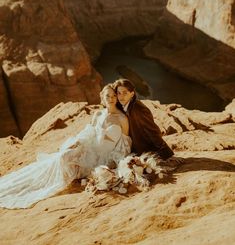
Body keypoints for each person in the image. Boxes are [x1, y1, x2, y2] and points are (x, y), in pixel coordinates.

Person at [0, 84, 131, 209]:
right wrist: (77, 142)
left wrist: (115, 161)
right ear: (102, 97)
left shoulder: (121, 119)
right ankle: (38, 183)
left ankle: (58, 181)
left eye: (114, 95)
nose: (111, 99)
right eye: (108, 96)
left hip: (101, 158)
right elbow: (89, 132)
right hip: (88, 147)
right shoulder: (98, 114)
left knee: (66, 160)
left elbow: (124, 144)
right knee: (63, 156)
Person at [113, 78, 183, 164]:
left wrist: (167, 154)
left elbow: (152, 130)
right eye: (119, 93)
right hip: (130, 146)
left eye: (125, 93)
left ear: (132, 94)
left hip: (143, 149)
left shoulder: (138, 109)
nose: (121, 96)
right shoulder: (122, 105)